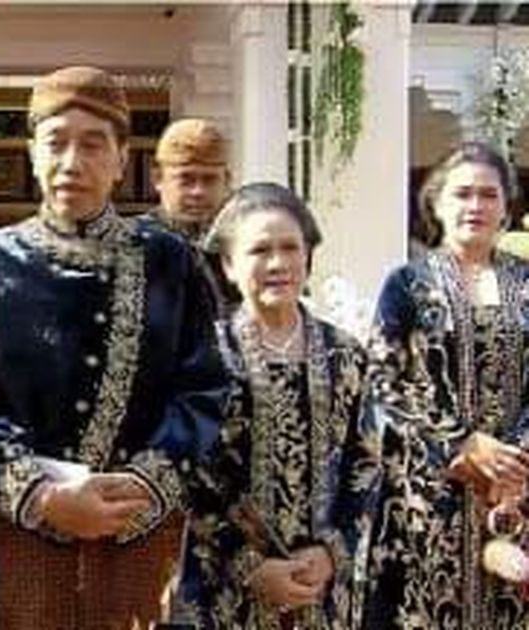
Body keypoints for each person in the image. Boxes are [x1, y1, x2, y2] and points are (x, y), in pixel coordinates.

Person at [0, 65, 221, 630]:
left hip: (140, 526)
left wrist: (146, 484)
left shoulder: (169, 260)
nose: (71, 162)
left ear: (121, 159)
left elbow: (203, 384)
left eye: (92, 145)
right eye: (56, 142)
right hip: (30, 530)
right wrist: (41, 496)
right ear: (31, 153)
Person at [173, 183, 379, 629]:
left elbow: (367, 462)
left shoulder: (346, 355)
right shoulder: (205, 357)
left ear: (308, 257)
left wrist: (331, 552)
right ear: (229, 266)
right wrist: (250, 566)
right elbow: (188, 473)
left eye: (290, 248)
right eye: (259, 250)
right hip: (222, 589)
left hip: (322, 590)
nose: (277, 263)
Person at [362, 141, 529, 629]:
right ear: (436, 203)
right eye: (462, 194)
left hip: (518, 490)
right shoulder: (407, 284)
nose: (475, 205)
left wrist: (517, 458)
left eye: (488, 195)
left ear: (506, 207)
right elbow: (381, 382)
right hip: (430, 491)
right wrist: (462, 444)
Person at [143, 118, 233, 318]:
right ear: (158, 179)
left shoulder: (240, 250)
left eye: (209, 179)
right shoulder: (134, 247)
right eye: (186, 179)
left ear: (226, 181)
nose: (198, 192)